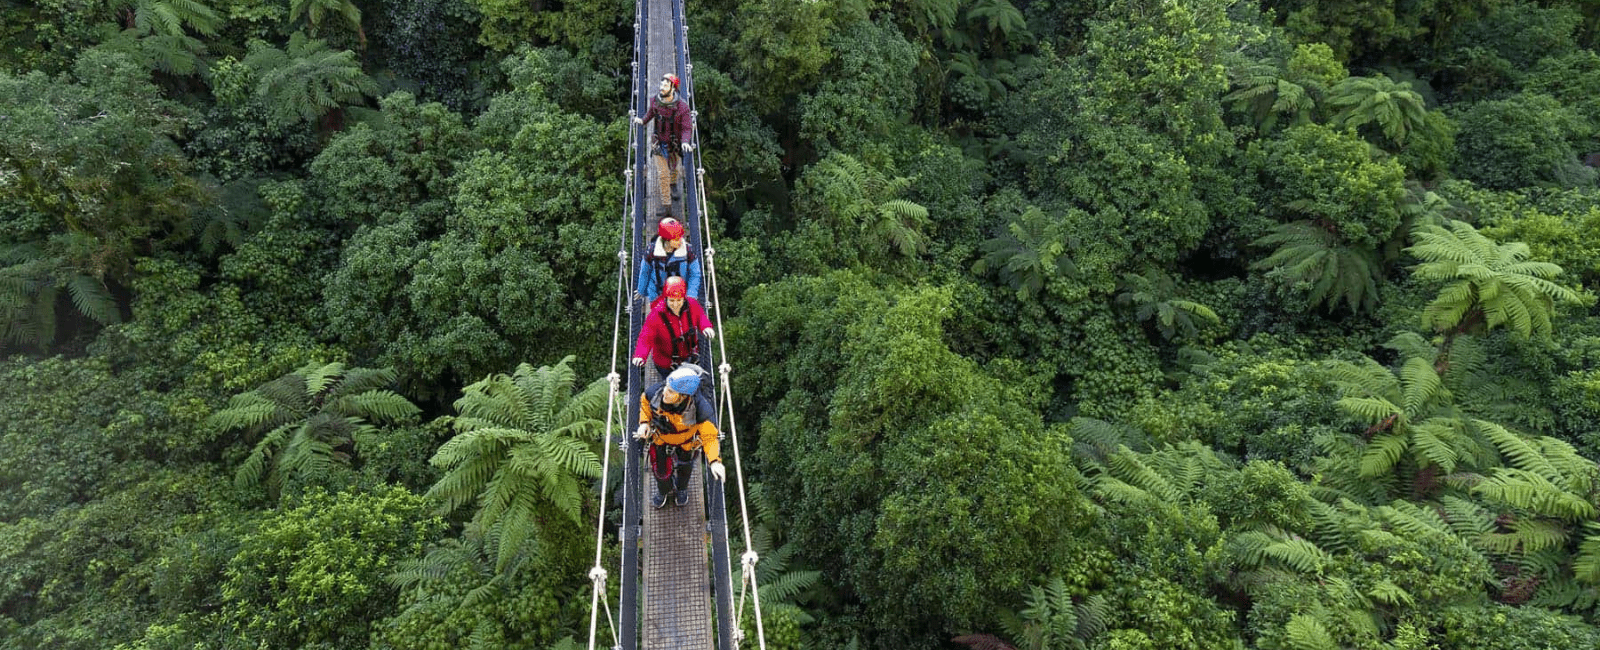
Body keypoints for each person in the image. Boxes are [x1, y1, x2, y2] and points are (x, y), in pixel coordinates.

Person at [634, 364, 725, 508]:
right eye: (666, 387)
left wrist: (714, 461)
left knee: (685, 468)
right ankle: (664, 490)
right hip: (660, 439)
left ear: (683, 396)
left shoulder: (700, 409)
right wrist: (644, 423)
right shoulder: (654, 393)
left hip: (687, 443)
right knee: (661, 472)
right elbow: (644, 403)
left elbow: (709, 437)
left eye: (670, 391)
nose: (665, 392)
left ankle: (682, 489)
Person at [633, 73, 693, 220]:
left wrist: (685, 141)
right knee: (662, 175)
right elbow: (650, 114)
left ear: (673, 88)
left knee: (674, 169)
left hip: (675, 144)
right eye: (661, 84)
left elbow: (687, 128)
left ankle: (673, 185)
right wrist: (642, 121)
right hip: (659, 144)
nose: (661, 87)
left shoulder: (683, 108)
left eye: (665, 85)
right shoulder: (655, 101)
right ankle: (667, 208)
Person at [633, 276, 714, 383]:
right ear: (666, 298)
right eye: (671, 300)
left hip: (688, 358)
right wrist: (640, 355)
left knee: (688, 388)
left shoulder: (693, 305)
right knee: (673, 390)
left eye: (679, 300)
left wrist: (706, 327)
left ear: (684, 297)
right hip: (666, 364)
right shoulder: (656, 314)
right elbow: (646, 336)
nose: (675, 305)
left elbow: (701, 318)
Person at [636, 217, 702, 307]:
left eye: (680, 237)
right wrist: (641, 290)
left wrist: (691, 295)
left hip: (679, 295)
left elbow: (695, 274)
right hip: (657, 294)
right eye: (675, 239)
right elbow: (645, 272)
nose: (680, 241)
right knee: (660, 318)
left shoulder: (687, 250)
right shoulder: (651, 251)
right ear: (666, 240)